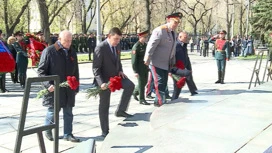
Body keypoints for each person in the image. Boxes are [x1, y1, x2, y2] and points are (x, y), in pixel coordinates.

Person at [37, 30, 80, 142]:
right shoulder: (49, 51)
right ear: (59, 39)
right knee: (53, 111)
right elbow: (41, 71)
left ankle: (68, 133)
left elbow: (76, 71)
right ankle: (47, 129)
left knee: (68, 112)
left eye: (70, 41)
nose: (69, 43)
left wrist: (76, 86)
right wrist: (48, 85)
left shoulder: (72, 52)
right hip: (54, 88)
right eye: (66, 41)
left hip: (68, 88)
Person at [93, 27, 135, 137]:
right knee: (104, 105)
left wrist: (120, 70)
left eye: (119, 39)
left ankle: (120, 110)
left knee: (130, 85)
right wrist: (101, 83)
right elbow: (96, 68)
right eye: (115, 39)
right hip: (104, 80)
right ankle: (105, 131)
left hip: (116, 76)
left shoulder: (117, 46)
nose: (117, 41)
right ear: (109, 36)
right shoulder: (101, 48)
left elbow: (118, 60)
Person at [144, 12, 182, 107]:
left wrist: (172, 60)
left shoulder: (174, 32)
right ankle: (159, 102)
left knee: (163, 82)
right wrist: (147, 58)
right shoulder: (160, 30)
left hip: (165, 63)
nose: (176, 24)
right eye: (175, 22)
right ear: (168, 20)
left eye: (178, 22)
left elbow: (172, 48)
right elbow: (151, 45)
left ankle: (159, 100)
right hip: (156, 62)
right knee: (159, 82)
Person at [171, 32, 198, 100]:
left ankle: (174, 98)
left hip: (182, 67)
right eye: (185, 37)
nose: (187, 39)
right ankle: (193, 89)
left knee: (178, 85)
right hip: (175, 68)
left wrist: (189, 67)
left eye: (187, 37)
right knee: (180, 81)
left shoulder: (184, 45)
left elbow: (186, 57)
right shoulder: (176, 45)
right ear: (180, 37)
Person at [131, 30, 150, 105]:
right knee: (141, 84)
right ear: (140, 37)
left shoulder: (145, 45)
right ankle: (142, 99)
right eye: (144, 37)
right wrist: (135, 71)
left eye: (146, 37)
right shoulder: (136, 46)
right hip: (139, 68)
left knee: (145, 82)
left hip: (145, 67)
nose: (146, 38)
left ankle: (135, 92)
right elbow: (133, 60)